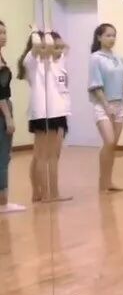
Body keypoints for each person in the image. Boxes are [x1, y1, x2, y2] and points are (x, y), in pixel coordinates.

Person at [18, 28, 72, 203]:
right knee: (43, 155)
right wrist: (38, 31)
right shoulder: (33, 61)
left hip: (58, 112)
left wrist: (56, 44)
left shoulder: (58, 61)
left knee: (52, 155)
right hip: (44, 113)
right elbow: (39, 45)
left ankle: (47, 193)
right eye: (52, 47)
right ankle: (47, 193)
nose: (56, 50)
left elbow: (65, 47)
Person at [89, 23, 123, 193]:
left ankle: (109, 181)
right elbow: (95, 85)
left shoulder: (118, 58)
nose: (112, 39)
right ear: (99, 37)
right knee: (109, 141)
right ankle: (102, 181)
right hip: (103, 104)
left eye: (114, 35)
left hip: (119, 104)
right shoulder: (96, 58)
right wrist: (106, 105)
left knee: (113, 146)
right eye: (108, 35)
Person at [0, 20, 25, 214]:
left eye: (4, 32)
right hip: (2, 110)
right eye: (0, 33)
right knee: (3, 156)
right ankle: (3, 203)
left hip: (5, 106)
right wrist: (8, 117)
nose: (3, 36)